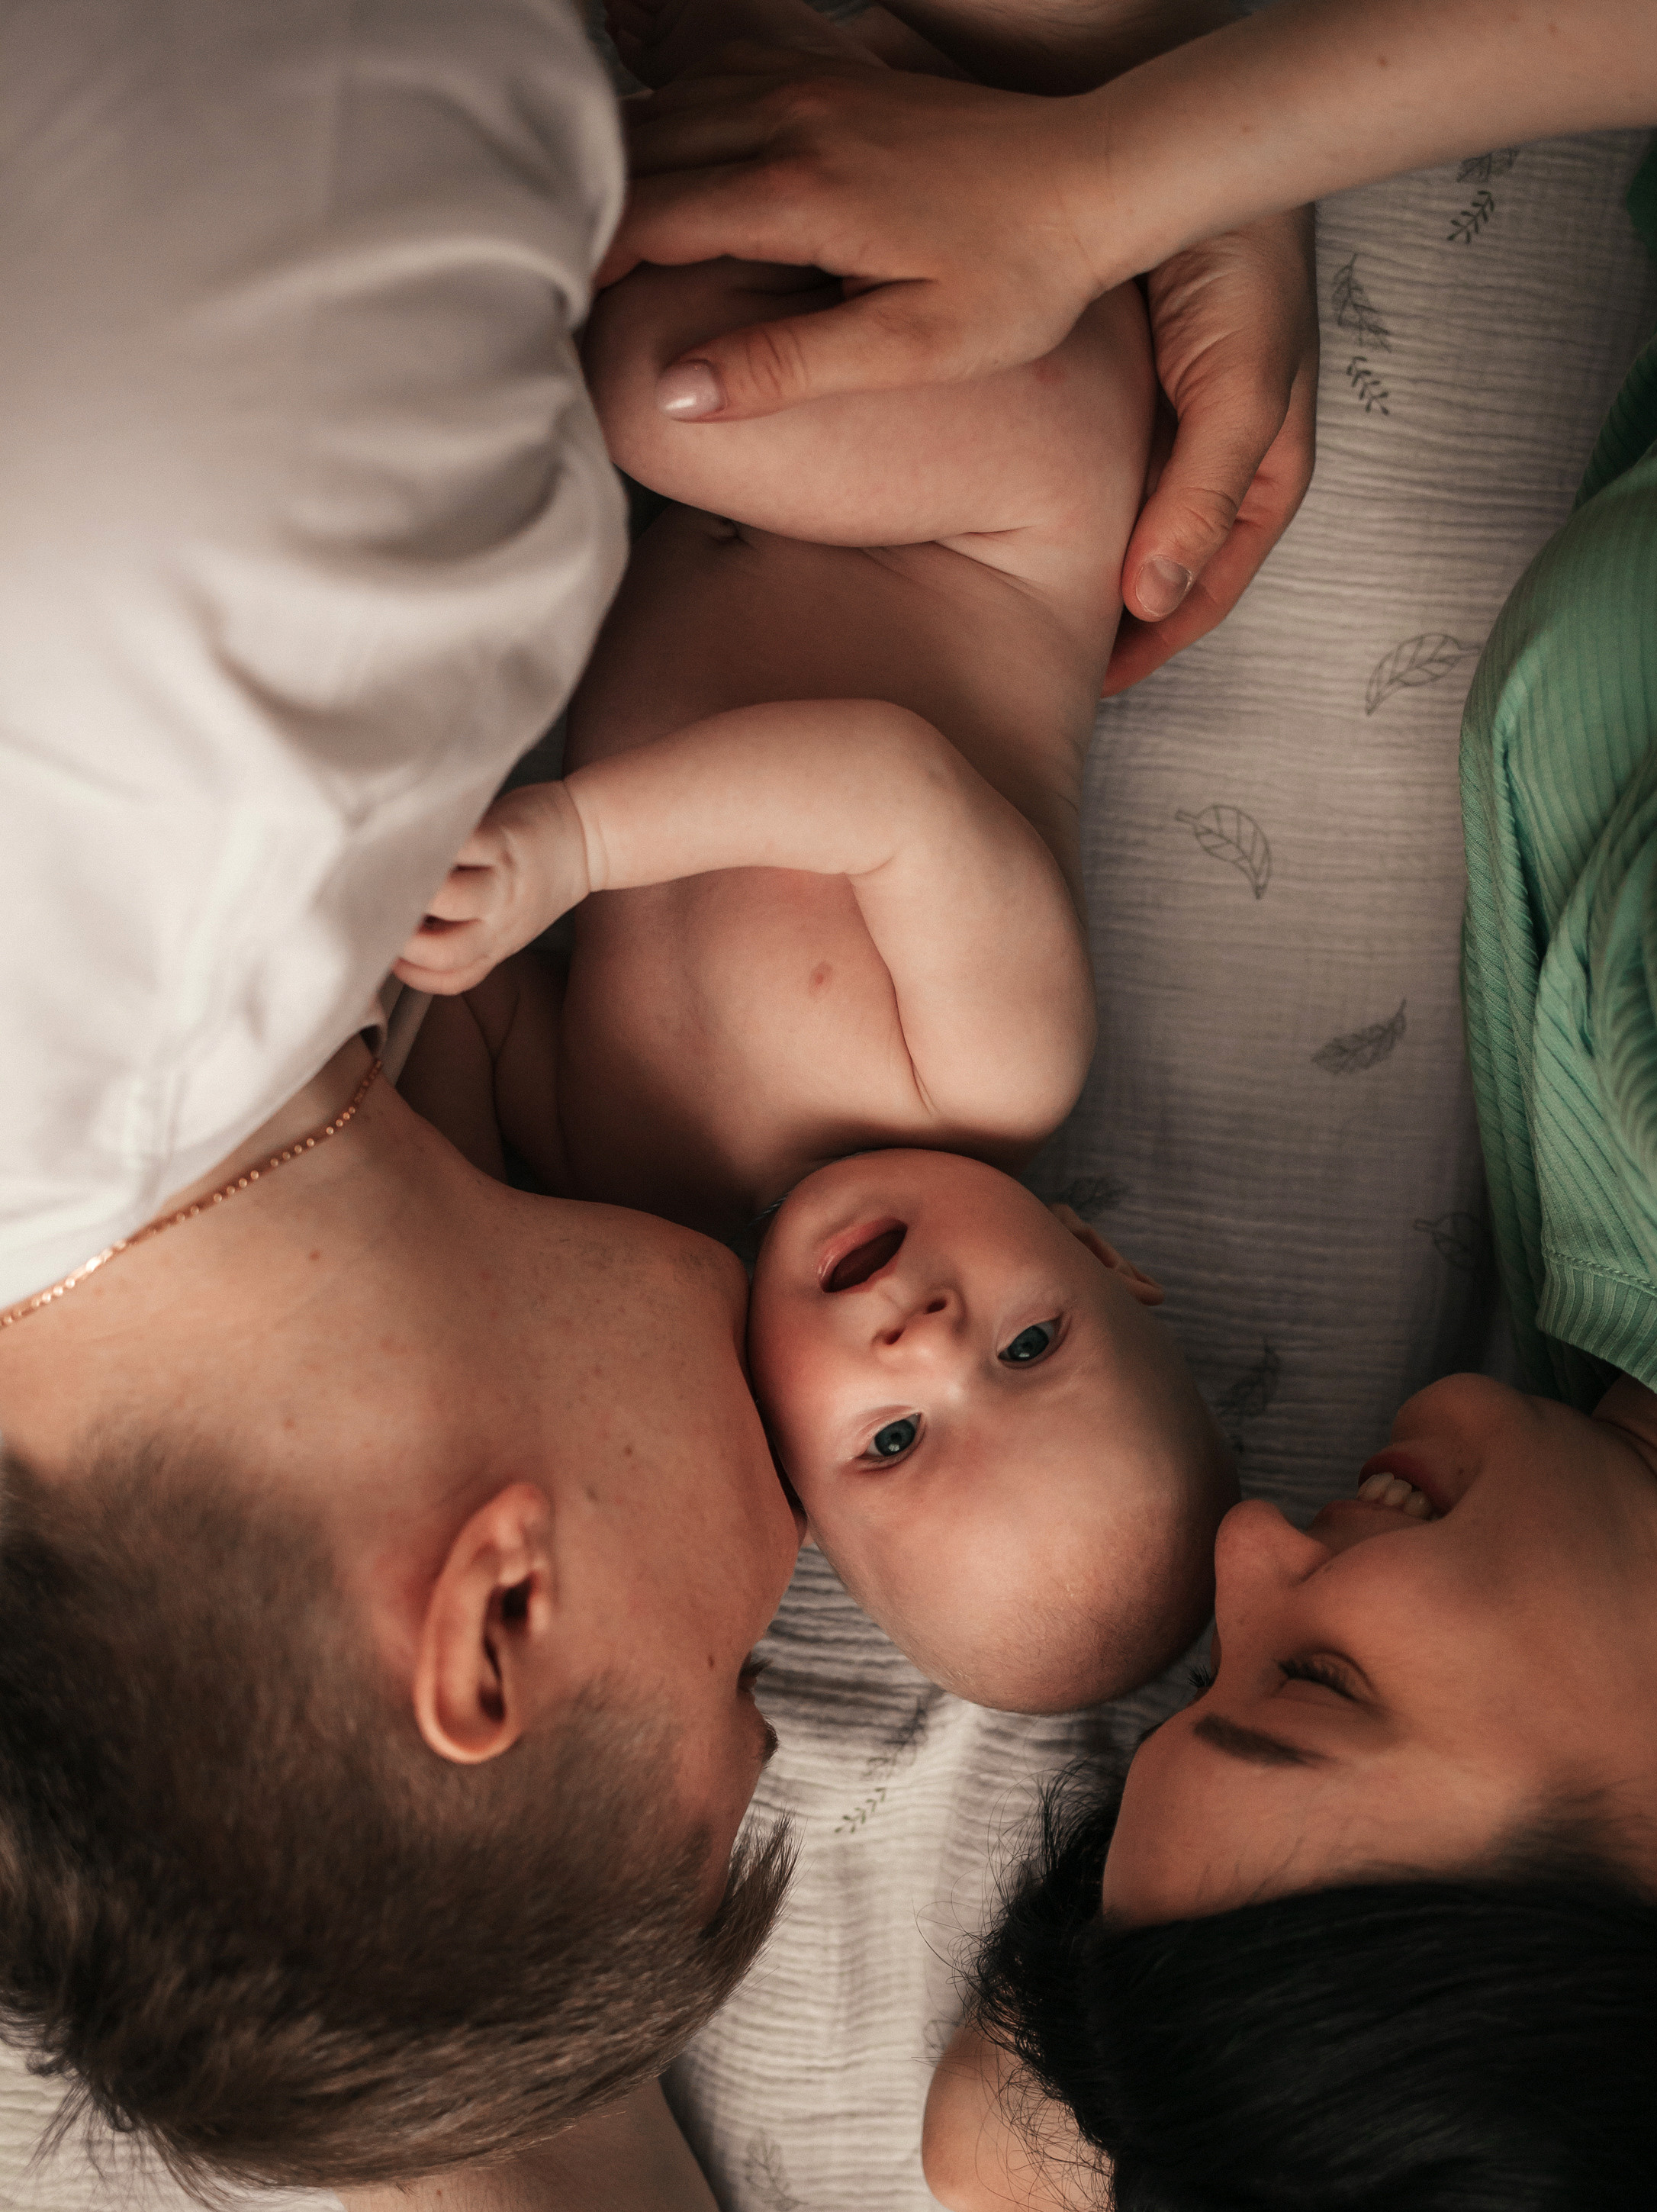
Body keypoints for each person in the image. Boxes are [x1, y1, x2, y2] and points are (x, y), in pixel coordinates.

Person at [0, 2, 1309, 2212]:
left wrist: (1169, 102)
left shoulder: (317, 602)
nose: (800, 1534)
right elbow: (360, 1954)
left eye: (736, 1679)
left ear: (492, 1620)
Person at [617, 11, 1657, 2212]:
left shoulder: (1637, 1479)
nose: (1258, 1546)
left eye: (1202, 1685)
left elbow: (997, 2137)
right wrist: (1130, 169)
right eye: (1320, 1684)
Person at [397, 0, 1227, 1711]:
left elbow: (466, 1022)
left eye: (899, 1441)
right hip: (993, 494)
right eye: (1031, 1343)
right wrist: (570, 842)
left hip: (749, 494)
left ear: (791, 1491)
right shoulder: (994, 1071)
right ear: (1106, 1260)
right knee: (655, 390)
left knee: (586, 419)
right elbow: (892, 787)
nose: (926, 1337)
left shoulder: (627, 1190)